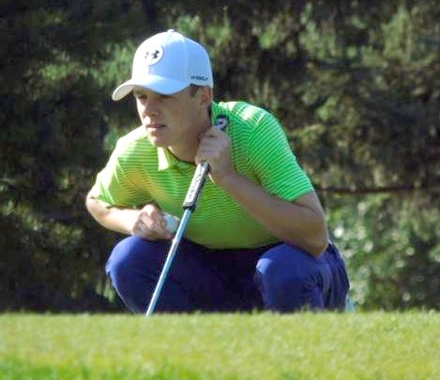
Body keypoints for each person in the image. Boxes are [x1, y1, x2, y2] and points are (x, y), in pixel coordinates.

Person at [86, 29, 350, 314]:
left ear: (203, 96)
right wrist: (133, 220)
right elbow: (97, 202)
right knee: (128, 259)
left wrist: (228, 179)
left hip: (294, 264)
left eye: (164, 96)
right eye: (141, 96)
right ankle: (194, 356)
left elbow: (315, 236)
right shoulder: (135, 150)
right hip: (211, 273)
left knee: (280, 271)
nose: (149, 110)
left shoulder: (253, 130)